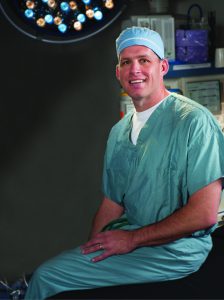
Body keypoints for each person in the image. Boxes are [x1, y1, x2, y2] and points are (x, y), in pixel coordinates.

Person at [24, 27, 224, 300]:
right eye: (126, 62)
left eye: (144, 60)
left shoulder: (194, 122)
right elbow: (112, 203)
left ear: (163, 67)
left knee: (48, 277)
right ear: (118, 73)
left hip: (176, 250)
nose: (135, 70)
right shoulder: (119, 132)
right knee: (57, 271)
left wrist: (131, 240)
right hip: (132, 238)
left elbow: (204, 214)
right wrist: (92, 250)